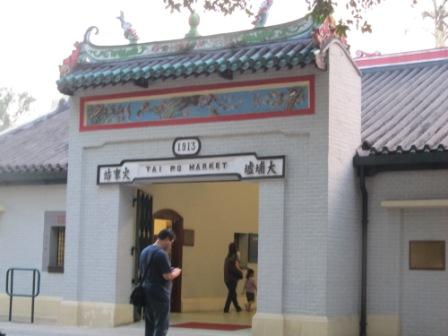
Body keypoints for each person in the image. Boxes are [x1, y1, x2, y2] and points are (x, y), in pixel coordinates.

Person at [139, 229, 181, 336]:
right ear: (167, 239)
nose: (171, 246)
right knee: (161, 325)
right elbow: (167, 276)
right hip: (160, 294)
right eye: (171, 243)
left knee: (149, 324)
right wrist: (176, 272)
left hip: (146, 292)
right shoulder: (161, 254)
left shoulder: (144, 251)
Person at [223, 242, 243, 313]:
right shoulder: (233, 257)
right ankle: (226, 308)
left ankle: (237, 307)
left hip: (227, 278)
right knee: (231, 293)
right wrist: (240, 273)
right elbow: (233, 268)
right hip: (232, 279)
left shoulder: (227, 257)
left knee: (233, 293)